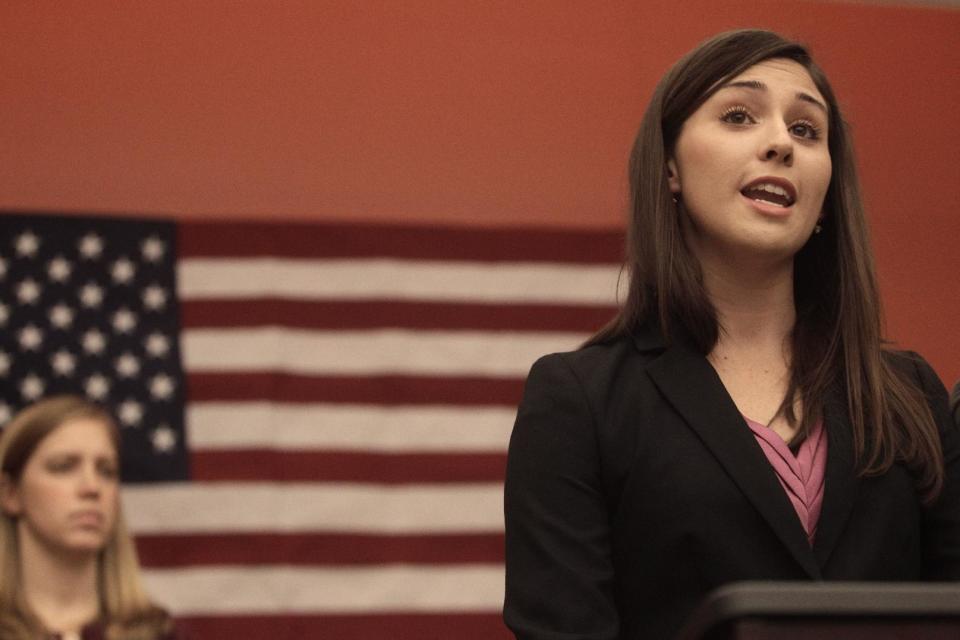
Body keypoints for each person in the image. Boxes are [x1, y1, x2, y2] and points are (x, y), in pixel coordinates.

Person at [503, 29, 960, 640]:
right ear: (669, 166)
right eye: (740, 115)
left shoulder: (914, 395)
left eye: (806, 130)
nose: (779, 143)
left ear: (826, 199)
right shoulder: (578, 400)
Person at [0, 395, 179, 640]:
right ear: (10, 493)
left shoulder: (160, 635)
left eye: (106, 471)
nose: (92, 487)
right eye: (63, 466)